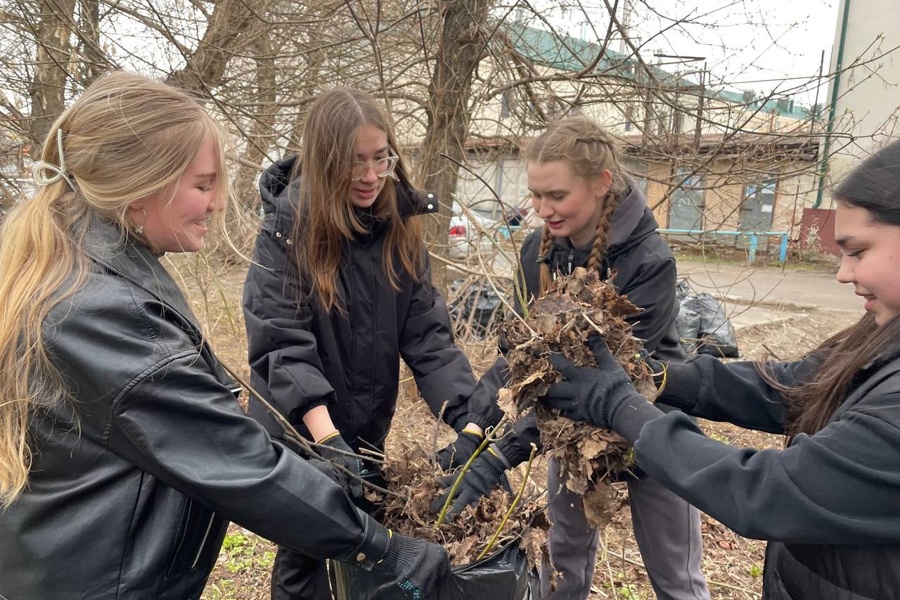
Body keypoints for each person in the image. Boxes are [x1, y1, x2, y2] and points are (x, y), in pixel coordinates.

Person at [0, 71, 449, 600]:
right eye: (203, 184)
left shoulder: (110, 274)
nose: (216, 204)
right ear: (142, 186)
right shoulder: (98, 312)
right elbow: (231, 461)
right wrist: (380, 546)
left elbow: (183, 411)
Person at [539, 139, 900, 600]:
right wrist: (661, 375)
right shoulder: (884, 330)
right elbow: (793, 386)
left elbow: (765, 491)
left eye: (859, 251)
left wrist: (619, 406)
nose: (843, 274)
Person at [434, 116, 711, 600]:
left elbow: (594, 381)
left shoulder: (650, 263)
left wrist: (503, 454)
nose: (542, 209)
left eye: (557, 196)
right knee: (562, 562)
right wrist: (475, 430)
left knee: (676, 576)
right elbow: (522, 356)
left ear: (602, 184)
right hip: (569, 434)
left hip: (649, 417)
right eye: (536, 195)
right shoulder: (536, 253)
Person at [242, 86, 479, 600]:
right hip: (304, 435)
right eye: (354, 163)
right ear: (324, 162)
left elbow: (429, 336)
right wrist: (326, 442)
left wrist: (469, 415)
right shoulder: (287, 230)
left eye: (381, 159)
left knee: (367, 566)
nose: (371, 176)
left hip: (365, 434)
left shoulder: (400, 230)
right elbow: (280, 342)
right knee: (306, 564)